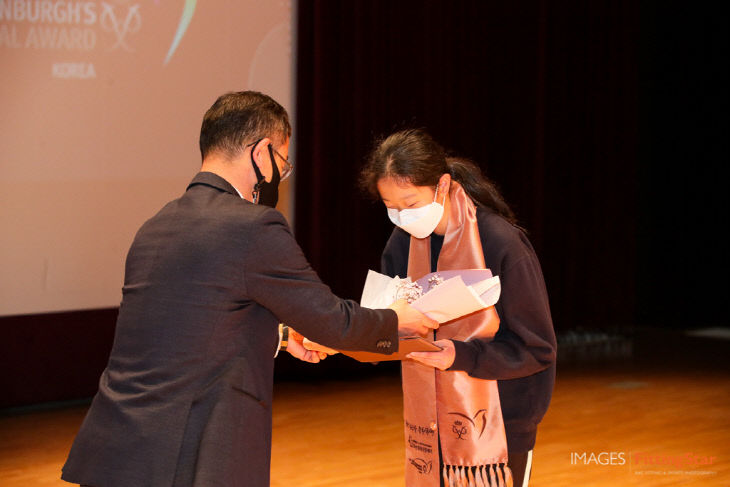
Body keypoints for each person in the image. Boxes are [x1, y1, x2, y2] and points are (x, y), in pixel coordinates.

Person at [61, 92, 437, 487]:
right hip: (189, 457)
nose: (281, 176)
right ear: (261, 153)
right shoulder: (253, 226)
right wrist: (396, 320)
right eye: (283, 163)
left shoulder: (157, 223)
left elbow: (187, 323)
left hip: (116, 448)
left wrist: (281, 335)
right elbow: (333, 323)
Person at [359, 129, 556, 487]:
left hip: (500, 418)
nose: (403, 217)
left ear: (443, 185)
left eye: (411, 204)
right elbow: (390, 316)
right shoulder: (402, 242)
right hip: (430, 417)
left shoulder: (501, 243)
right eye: (391, 208)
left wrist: (461, 356)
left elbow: (537, 348)